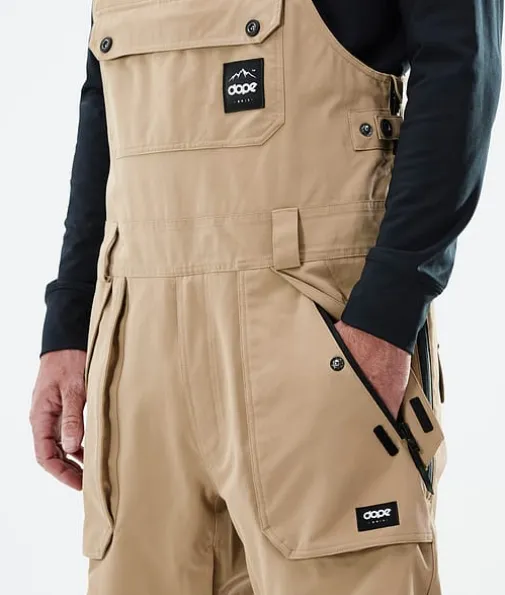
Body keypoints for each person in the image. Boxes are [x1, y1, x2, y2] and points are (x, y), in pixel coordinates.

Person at [30, 0, 502, 593]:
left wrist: (388, 313)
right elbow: (106, 95)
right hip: (136, 347)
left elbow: (462, 64)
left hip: (315, 328)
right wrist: (70, 324)